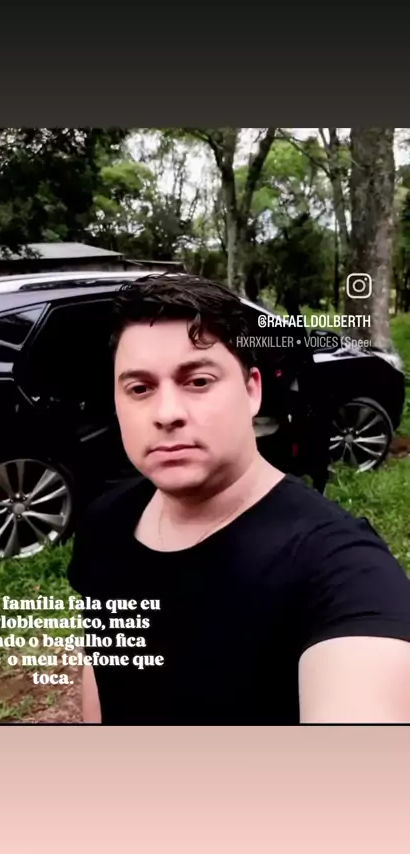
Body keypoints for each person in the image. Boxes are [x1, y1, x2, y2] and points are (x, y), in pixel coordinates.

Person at [67, 274, 410, 724]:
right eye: (140, 389)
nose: (166, 414)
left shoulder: (341, 569)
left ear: (252, 390)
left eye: (198, 381)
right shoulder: (105, 524)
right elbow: (104, 672)